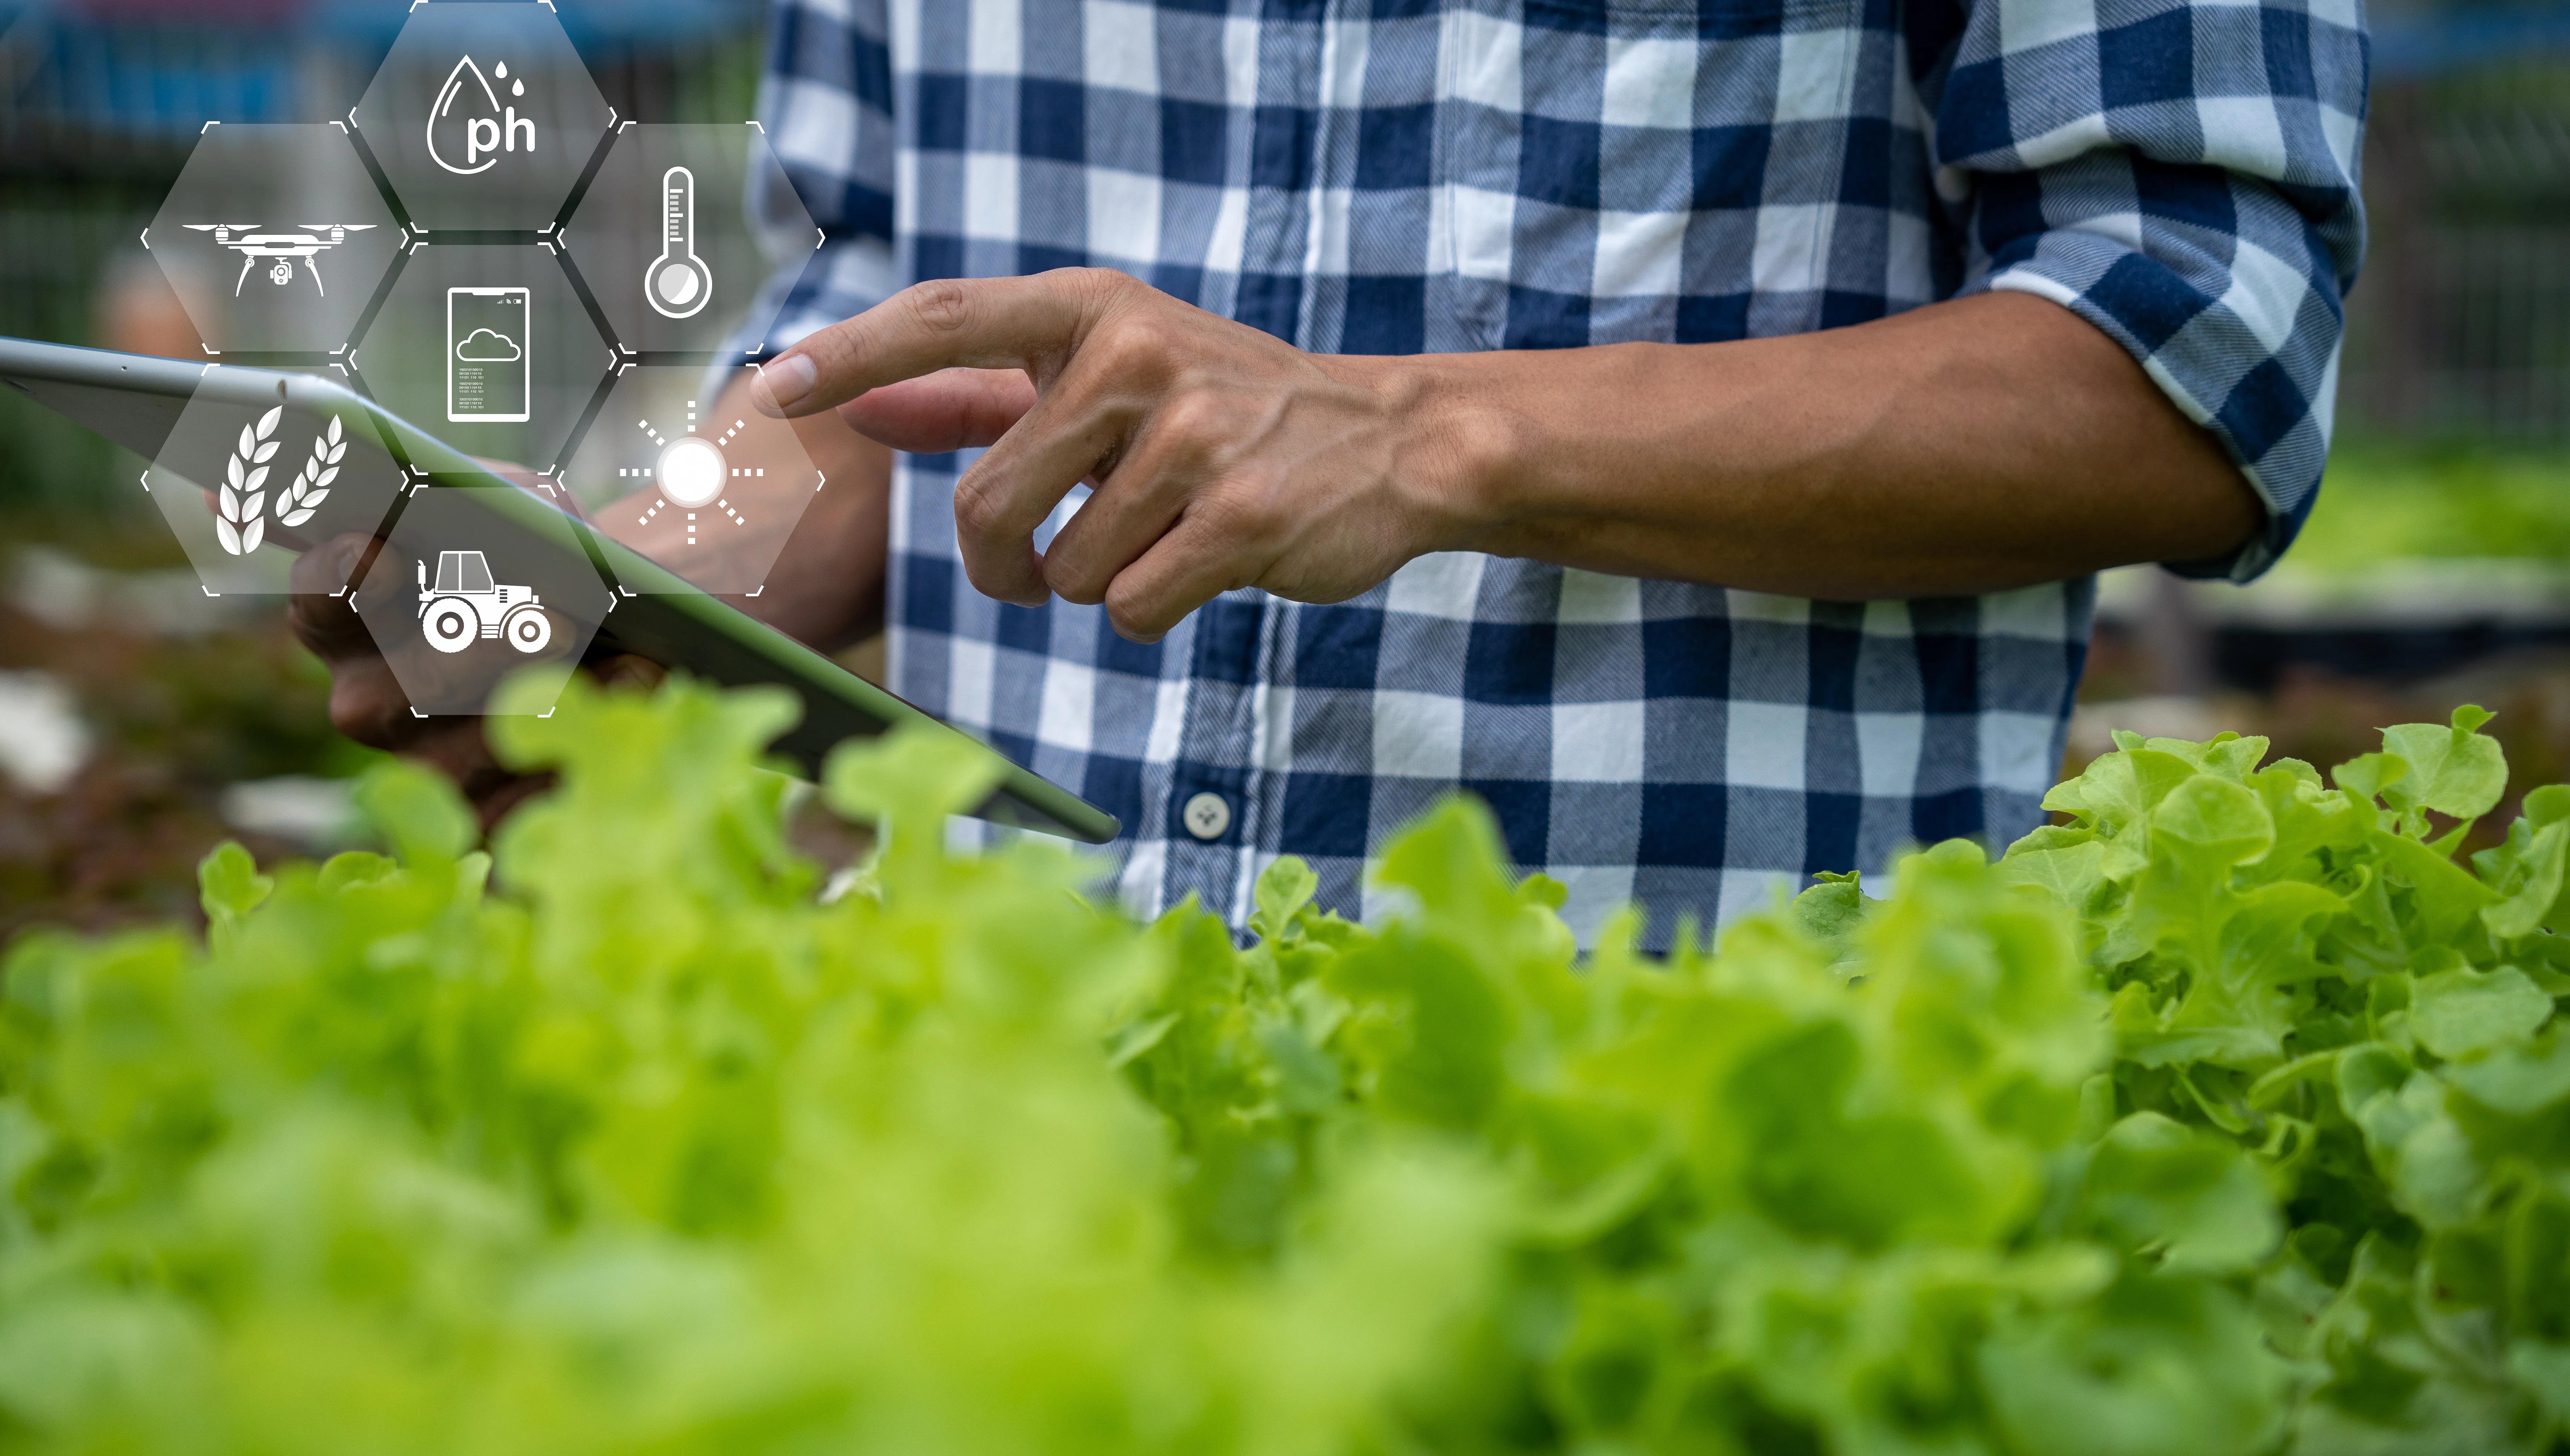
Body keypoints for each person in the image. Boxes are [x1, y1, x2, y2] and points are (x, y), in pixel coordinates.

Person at [298, 0, 2365, 946]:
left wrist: (1427, 436)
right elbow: (876, 325)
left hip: (1681, 1098)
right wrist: (648, 587)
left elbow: (2196, 360)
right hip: (999, 1075)